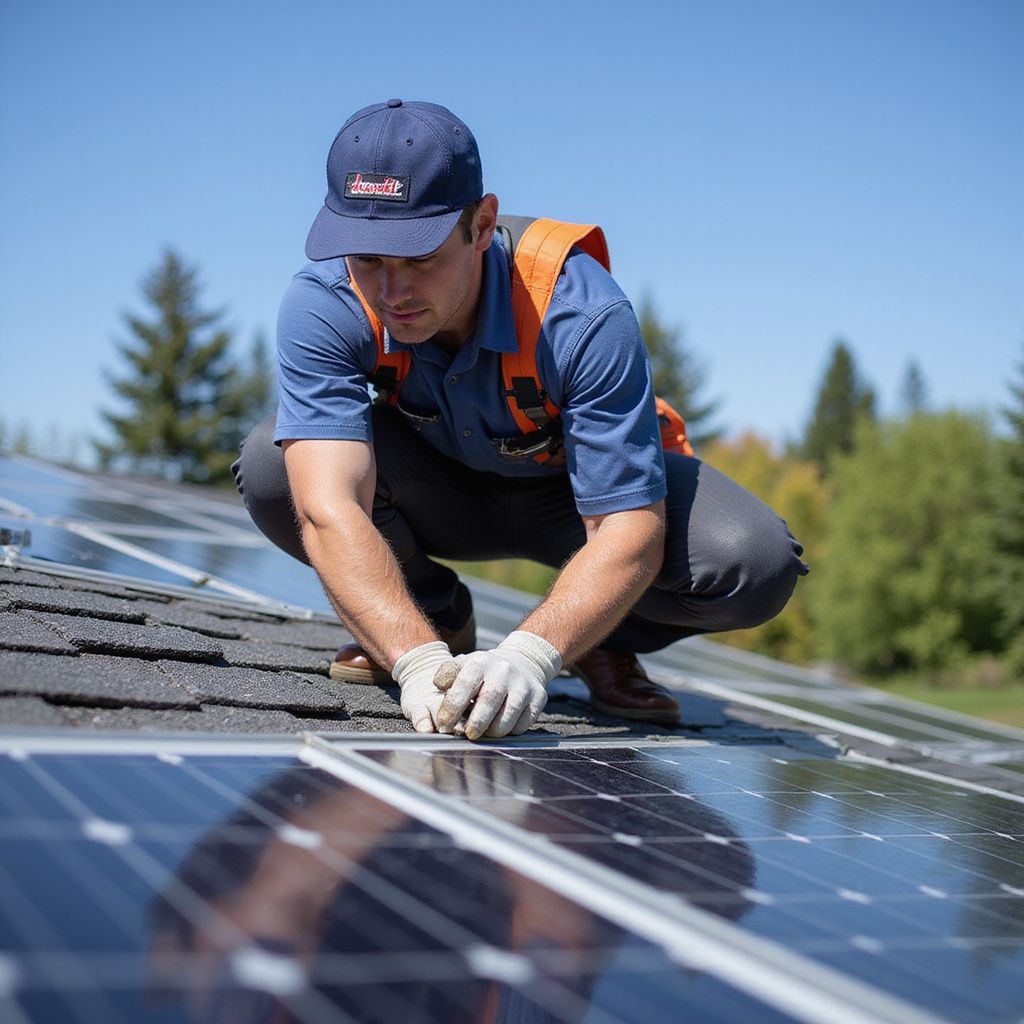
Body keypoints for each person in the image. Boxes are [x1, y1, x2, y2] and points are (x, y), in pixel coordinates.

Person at [233, 99, 807, 741]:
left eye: (419, 257)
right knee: (274, 465)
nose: (391, 289)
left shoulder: (582, 313)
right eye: (368, 259)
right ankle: (434, 619)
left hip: (578, 507)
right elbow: (326, 506)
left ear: (480, 225)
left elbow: (627, 532)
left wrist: (529, 655)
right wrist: (416, 661)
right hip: (440, 490)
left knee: (754, 564)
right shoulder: (322, 305)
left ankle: (593, 637)